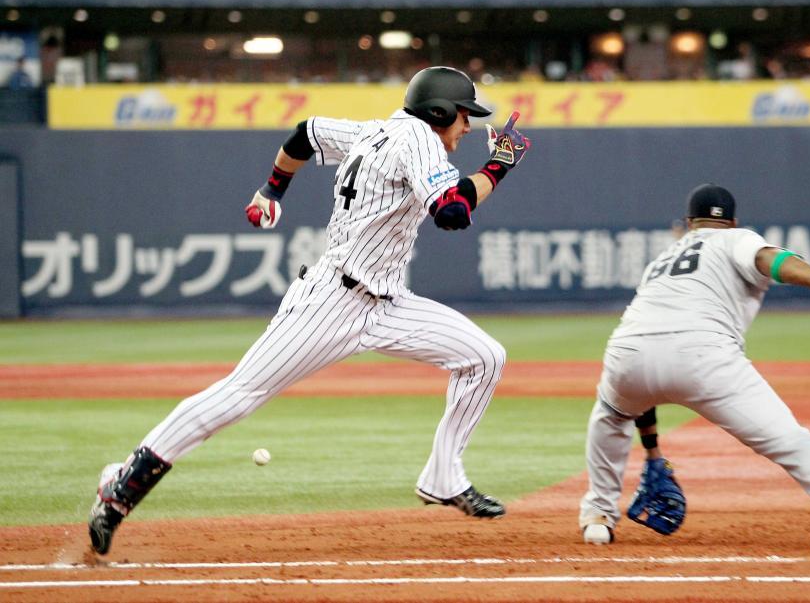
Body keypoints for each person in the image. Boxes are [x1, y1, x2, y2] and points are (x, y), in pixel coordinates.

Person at [88, 66, 532, 555]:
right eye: (464, 116)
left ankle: (443, 477)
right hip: (331, 304)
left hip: (387, 302)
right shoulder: (420, 140)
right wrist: (499, 166)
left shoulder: (374, 131)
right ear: (439, 112)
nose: (467, 127)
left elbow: (304, 135)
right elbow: (451, 213)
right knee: (239, 394)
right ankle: (124, 482)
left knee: (484, 357)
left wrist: (272, 189)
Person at [579, 183, 810, 545]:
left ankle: (598, 517)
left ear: (690, 222)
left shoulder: (661, 261)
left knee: (610, 416)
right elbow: (772, 260)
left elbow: (651, 362)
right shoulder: (738, 238)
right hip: (704, 356)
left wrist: (653, 449)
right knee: (790, 440)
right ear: (734, 221)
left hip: (628, 354)